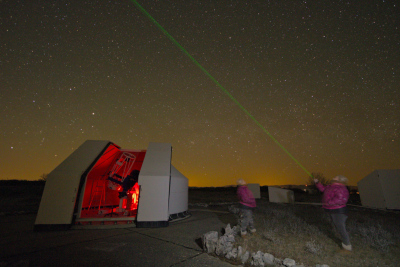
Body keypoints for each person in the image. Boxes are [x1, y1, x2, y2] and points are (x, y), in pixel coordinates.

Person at [314, 175, 352, 251]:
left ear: (339, 180)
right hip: (333, 209)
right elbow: (323, 189)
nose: (334, 177)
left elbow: (341, 199)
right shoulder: (331, 186)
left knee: (341, 228)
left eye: (336, 177)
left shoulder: (341, 188)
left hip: (339, 211)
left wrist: (328, 203)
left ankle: (347, 246)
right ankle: (346, 244)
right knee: (338, 226)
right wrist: (317, 183)